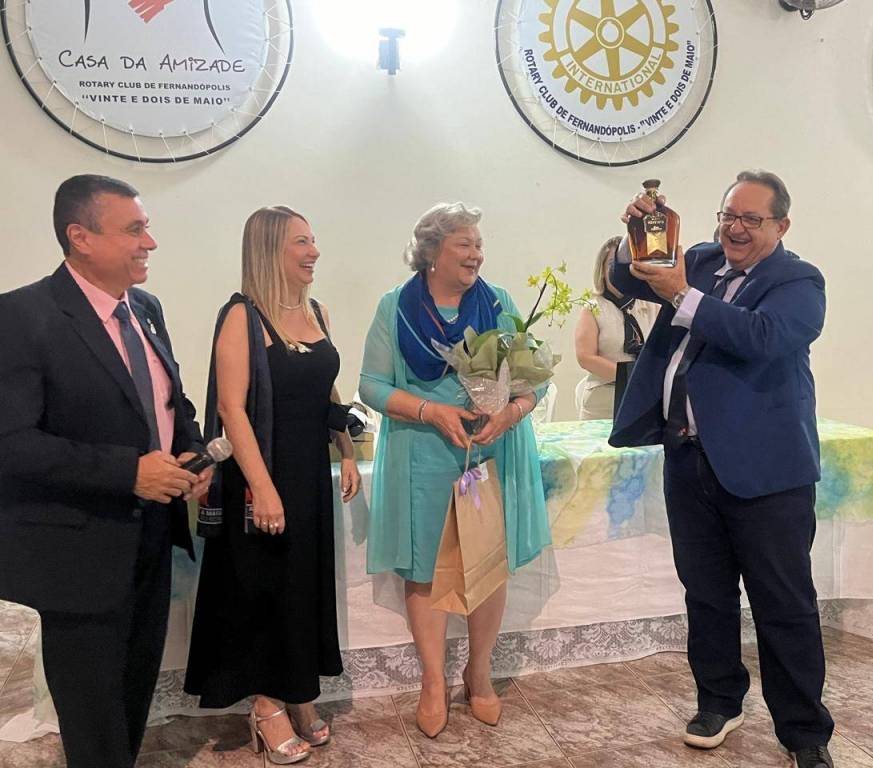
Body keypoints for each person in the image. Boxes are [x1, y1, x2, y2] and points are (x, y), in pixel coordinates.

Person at [610, 170, 835, 768]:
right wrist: (639, 238)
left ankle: (804, 733)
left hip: (767, 473)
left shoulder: (799, 281)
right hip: (688, 459)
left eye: (751, 219)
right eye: (728, 215)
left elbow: (760, 337)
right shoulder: (702, 261)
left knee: (783, 603)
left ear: (781, 226)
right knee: (706, 593)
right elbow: (625, 279)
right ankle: (718, 700)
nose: (735, 228)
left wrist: (683, 295)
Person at [0, 175, 212, 768]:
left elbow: (171, 402)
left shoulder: (145, 309)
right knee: (92, 714)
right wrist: (128, 472)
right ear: (81, 237)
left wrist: (193, 453)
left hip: (152, 535)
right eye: (134, 229)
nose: (150, 242)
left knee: (133, 692)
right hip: (78, 549)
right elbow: (10, 443)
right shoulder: (20, 315)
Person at [359, 202, 551, 738]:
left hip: (490, 455)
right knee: (424, 571)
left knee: (487, 566)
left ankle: (479, 673)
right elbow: (370, 385)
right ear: (432, 251)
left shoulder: (500, 302)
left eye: (478, 244)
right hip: (421, 459)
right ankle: (432, 682)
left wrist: (511, 412)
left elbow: (535, 381)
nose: (476, 254)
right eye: (464, 244)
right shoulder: (394, 307)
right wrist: (431, 410)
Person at [184, 206, 360, 764]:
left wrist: (347, 450)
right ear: (268, 250)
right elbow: (231, 409)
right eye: (300, 243)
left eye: (313, 240)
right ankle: (266, 704)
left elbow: (326, 392)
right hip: (261, 475)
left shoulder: (317, 311)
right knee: (265, 590)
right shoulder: (243, 316)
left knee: (302, 586)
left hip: (309, 474)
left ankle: (298, 689)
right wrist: (262, 488)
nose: (313, 252)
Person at [574, 235, 657, 420]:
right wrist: (629, 377)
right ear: (602, 271)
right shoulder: (593, 308)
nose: (620, 272)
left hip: (644, 396)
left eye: (627, 265)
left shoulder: (652, 304)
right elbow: (586, 357)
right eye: (613, 265)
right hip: (603, 398)